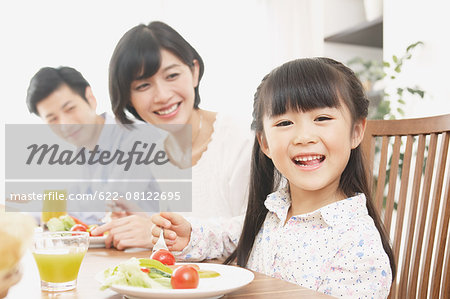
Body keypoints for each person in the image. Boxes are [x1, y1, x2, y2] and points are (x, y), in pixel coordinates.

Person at [150, 58, 396, 298]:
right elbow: (228, 236)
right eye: (285, 122)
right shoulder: (273, 213)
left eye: (321, 118)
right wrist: (188, 235)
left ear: (356, 132)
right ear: (264, 142)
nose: (303, 136)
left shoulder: (360, 247)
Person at [91, 21, 252, 250]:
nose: (162, 96)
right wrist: (138, 219)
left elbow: (257, 229)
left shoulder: (240, 137)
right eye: (143, 85)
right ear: (128, 98)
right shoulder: (156, 149)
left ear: (194, 72)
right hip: (186, 282)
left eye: (172, 75)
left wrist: (158, 235)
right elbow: (183, 225)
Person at [25, 66, 159, 225]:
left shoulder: (137, 137)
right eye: (52, 119)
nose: (65, 125)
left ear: (91, 98)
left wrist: (48, 213)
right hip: (111, 247)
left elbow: (110, 205)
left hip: (153, 246)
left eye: (70, 109)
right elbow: (71, 200)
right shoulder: (83, 152)